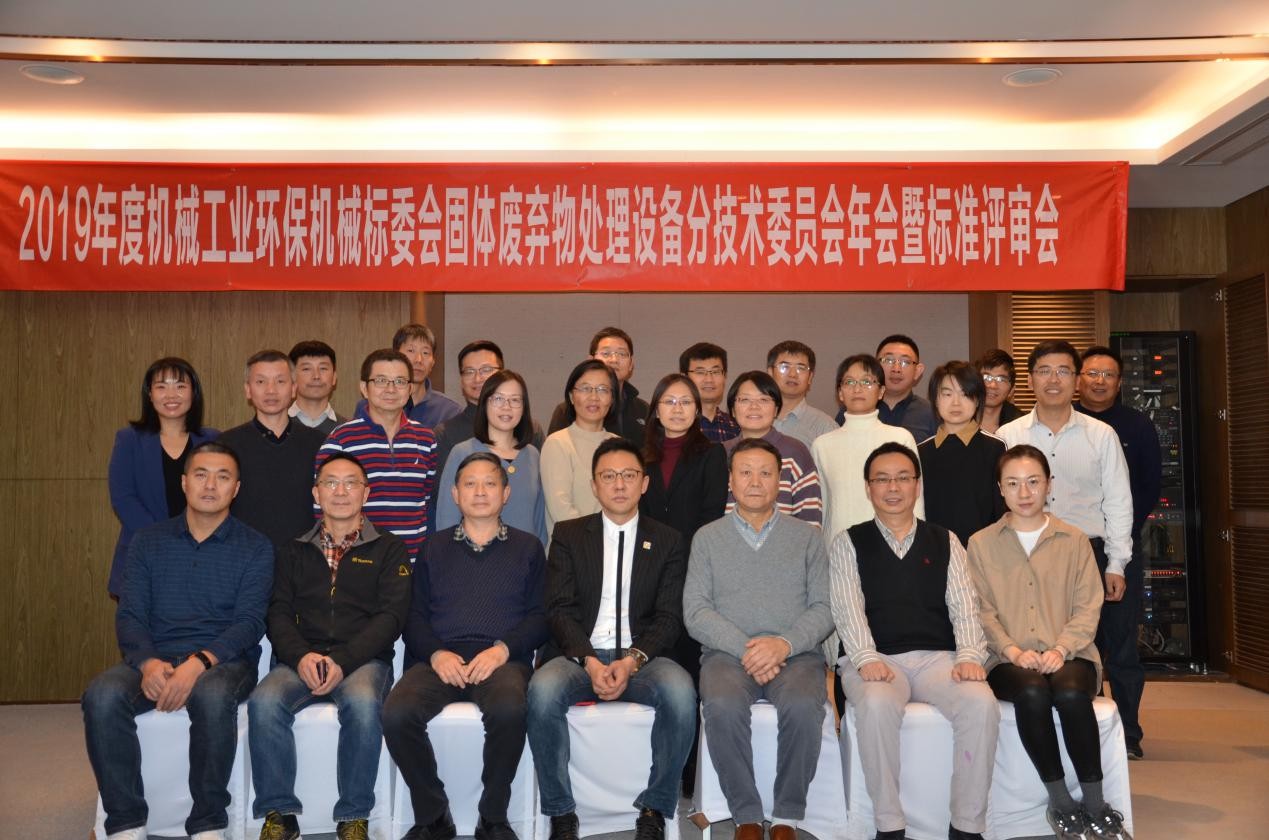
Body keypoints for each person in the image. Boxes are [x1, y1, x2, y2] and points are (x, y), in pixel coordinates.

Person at [83, 441, 272, 840]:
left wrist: (199, 663)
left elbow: (250, 623)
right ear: (184, 483)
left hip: (224, 660)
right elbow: (131, 614)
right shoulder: (148, 541)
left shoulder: (256, 547)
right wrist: (148, 662)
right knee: (102, 695)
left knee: (212, 696)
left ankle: (207, 823)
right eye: (201, 475)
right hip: (156, 654)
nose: (210, 485)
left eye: (222, 477)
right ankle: (126, 821)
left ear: (236, 489)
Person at [527, 438, 696, 840]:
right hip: (578, 657)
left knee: (682, 694)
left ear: (644, 483)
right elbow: (559, 608)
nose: (619, 484)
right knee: (542, 693)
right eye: (608, 476)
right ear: (594, 485)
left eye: (629, 475)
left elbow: (669, 617)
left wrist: (631, 660)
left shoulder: (668, 540)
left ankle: (654, 809)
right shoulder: (569, 535)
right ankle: (561, 813)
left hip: (643, 658)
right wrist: (589, 660)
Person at [830, 442, 997, 840]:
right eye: (882, 479)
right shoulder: (848, 542)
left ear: (917, 485)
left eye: (903, 478)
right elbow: (847, 608)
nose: (893, 487)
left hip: (938, 658)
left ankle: (967, 826)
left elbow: (964, 604)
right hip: (875, 658)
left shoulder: (945, 540)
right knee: (875, 704)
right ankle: (889, 826)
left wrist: (970, 655)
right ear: (868, 488)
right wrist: (866, 657)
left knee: (981, 703)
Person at [967, 445, 1131, 840]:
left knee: (1072, 695)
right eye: (1012, 484)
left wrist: (1060, 649)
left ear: (1049, 485)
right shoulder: (980, 543)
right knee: (1032, 693)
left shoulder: (1074, 540)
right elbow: (979, 609)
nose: (1024, 493)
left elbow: (1088, 605)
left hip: (1071, 653)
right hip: (1006, 658)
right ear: (1000, 489)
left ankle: (1096, 805)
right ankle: (1061, 803)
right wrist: (1011, 650)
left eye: (1033, 482)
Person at [384, 452, 548, 840]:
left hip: (502, 658)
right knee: (397, 713)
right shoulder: (432, 548)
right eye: (470, 484)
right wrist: (437, 654)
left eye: (490, 483)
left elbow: (541, 616)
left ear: (506, 493)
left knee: (509, 708)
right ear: (455, 494)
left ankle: (492, 817)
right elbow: (414, 616)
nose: (480, 491)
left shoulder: (528, 548)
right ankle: (433, 816)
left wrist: (502, 650)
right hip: (442, 657)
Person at [249, 452, 411, 840]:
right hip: (300, 658)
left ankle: (353, 816)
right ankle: (279, 814)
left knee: (362, 703)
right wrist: (301, 656)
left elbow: (391, 617)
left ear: (366, 493)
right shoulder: (293, 550)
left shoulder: (389, 549)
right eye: (331, 483)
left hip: (363, 660)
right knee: (264, 701)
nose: (341, 491)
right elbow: (278, 612)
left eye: (351, 483)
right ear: (316, 493)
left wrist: (343, 660)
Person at [683, 438, 835, 840]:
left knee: (802, 707)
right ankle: (746, 815)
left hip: (796, 654)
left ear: (780, 480)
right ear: (731, 481)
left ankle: (786, 817)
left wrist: (782, 644)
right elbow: (695, 611)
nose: (755, 481)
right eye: (745, 472)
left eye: (765, 473)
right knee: (721, 705)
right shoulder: (707, 538)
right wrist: (746, 649)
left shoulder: (807, 537)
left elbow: (825, 607)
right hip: (727, 655)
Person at [997, 340, 1134, 755]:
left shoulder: (1101, 435)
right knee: (1033, 642)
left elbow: (1118, 500)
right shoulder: (1008, 434)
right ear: (1030, 380)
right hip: (1024, 552)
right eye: (1044, 371)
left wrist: (1116, 562)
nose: (1053, 379)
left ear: (1076, 380)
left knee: (1094, 648)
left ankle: (1114, 739)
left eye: (1063, 371)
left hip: (1087, 553)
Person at [639, 373, 728, 793]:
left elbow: (711, 515)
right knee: (656, 661)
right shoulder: (640, 453)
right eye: (669, 401)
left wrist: (677, 555)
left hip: (694, 570)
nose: (677, 409)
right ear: (656, 409)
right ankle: (651, 764)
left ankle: (689, 770)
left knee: (690, 668)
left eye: (686, 402)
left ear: (697, 410)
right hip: (646, 570)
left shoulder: (711, 454)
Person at [1076, 345, 1162, 761]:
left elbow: (1148, 487)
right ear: (1079, 379)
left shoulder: (1137, 425)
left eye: (1107, 374)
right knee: (1080, 644)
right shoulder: (1067, 424)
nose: (1099, 381)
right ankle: (1087, 726)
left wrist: (1119, 535)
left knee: (1122, 644)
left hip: (1120, 548)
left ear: (1120, 382)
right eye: (1091, 373)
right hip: (1074, 551)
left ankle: (1128, 733)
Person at [107, 356, 218, 597]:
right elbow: (123, 499)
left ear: (193, 393)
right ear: (149, 394)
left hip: (203, 556)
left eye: (180, 386)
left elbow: (221, 496)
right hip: (145, 555)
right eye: (161, 386)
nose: (171, 395)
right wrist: (168, 541)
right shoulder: (129, 439)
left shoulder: (213, 440)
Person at [318, 349, 439, 564]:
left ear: (410, 388)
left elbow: (426, 503)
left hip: (413, 562)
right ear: (364, 388)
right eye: (381, 381)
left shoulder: (426, 439)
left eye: (400, 381)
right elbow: (323, 508)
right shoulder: (341, 440)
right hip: (358, 564)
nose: (391, 389)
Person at [219, 349, 327, 549]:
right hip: (244, 556)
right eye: (261, 382)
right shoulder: (225, 445)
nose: (271, 390)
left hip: (305, 558)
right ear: (248, 390)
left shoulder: (320, 444)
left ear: (293, 388)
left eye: (280, 381)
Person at [812, 354, 921, 545]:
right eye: (849, 382)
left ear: (881, 392)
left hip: (894, 545)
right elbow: (822, 507)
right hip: (838, 547)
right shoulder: (822, 445)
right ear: (840, 392)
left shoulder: (900, 437)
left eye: (867, 382)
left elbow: (916, 500)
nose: (857, 389)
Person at [435, 370, 549, 545]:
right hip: (473, 556)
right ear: (484, 404)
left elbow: (539, 520)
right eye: (498, 399)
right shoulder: (462, 452)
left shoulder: (533, 455)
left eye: (515, 400)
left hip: (526, 557)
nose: (506, 407)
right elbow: (447, 517)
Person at [917, 360, 1005, 546]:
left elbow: (1002, 512)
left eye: (965, 394)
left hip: (982, 551)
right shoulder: (921, 451)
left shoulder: (995, 448)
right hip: (933, 550)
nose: (956, 403)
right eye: (947, 394)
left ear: (978, 400)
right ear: (935, 399)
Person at [723, 371, 823, 527]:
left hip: (785, 541)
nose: (754, 407)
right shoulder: (720, 453)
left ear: (776, 409)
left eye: (763, 399)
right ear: (733, 409)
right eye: (745, 400)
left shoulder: (796, 452)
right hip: (727, 541)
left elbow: (810, 519)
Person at [540, 359, 619, 539]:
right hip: (572, 549)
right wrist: (598, 542)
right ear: (571, 396)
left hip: (614, 546)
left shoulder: (620, 445)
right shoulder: (558, 443)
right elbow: (562, 511)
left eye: (602, 389)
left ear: (612, 398)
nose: (594, 397)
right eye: (585, 388)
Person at [548, 327, 650, 446]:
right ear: (591, 360)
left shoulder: (643, 409)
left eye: (622, 354)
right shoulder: (569, 409)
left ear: (631, 364)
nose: (614, 360)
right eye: (606, 353)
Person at [432, 339, 507, 474]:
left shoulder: (529, 430)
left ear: (503, 375)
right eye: (469, 371)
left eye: (486, 369)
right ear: (461, 381)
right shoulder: (445, 434)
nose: (477, 378)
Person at [767, 340, 839, 448]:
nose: (792, 374)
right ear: (770, 373)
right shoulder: (752, 417)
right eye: (785, 367)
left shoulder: (825, 427)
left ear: (810, 377)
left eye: (800, 368)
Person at [396, 322, 464, 429]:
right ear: (395, 357)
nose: (419, 360)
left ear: (432, 363)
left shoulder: (449, 411)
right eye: (411, 350)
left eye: (425, 353)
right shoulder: (380, 404)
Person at [872, 334, 938, 442]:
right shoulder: (854, 410)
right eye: (888, 360)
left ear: (917, 371)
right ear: (874, 367)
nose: (896, 369)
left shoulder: (932, 413)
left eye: (905, 362)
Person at [680, 342, 740, 443]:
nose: (709, 379)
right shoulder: (674, 425)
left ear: (725, 376)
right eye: (700, 372)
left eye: (715, 372)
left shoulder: (736, 427)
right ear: (684, 377)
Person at [288, 340, 344, 434]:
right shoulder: (276, 427)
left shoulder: (348, 429)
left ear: (334, 377)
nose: (316, 376)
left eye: (323, 368)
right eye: (306, 369)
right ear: (292, 377)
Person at [974, 348, 1022, 434]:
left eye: (1001, 379)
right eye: (986, 377)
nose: (992, 385)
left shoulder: (1021, 426)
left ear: (1011, 390)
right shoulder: (959, 419)